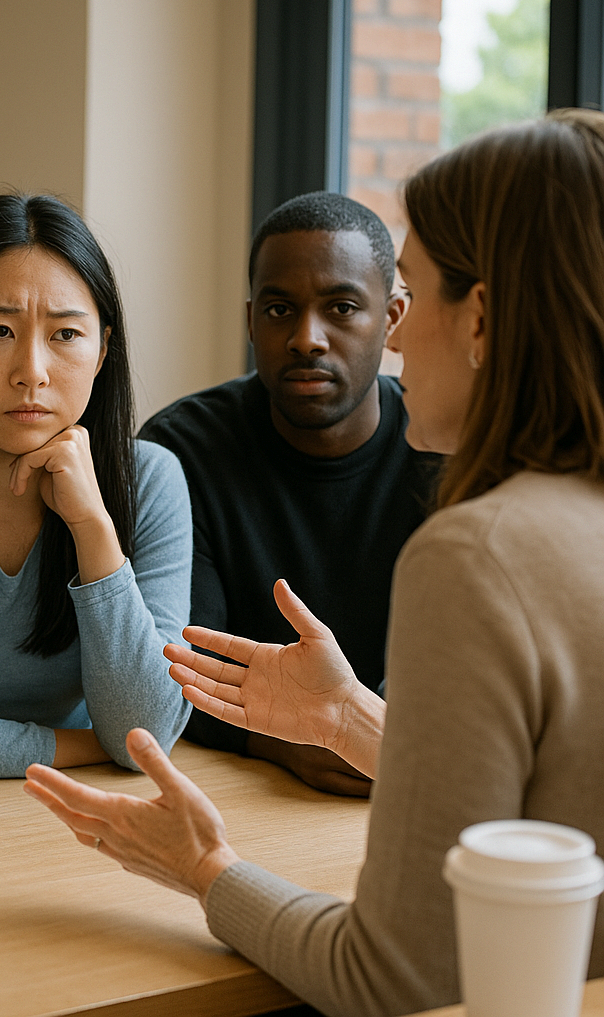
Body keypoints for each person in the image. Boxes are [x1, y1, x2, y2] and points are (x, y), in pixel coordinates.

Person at [25, 108, 604, 1016]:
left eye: (405, 297)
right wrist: (352, 718)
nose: (397, 343)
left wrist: (202, 867)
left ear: (479, 316)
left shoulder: (478, 554)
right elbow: (543, 832)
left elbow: (393, 979)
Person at [0, 194, 191, 777]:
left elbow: (145, 733)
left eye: (66, 334)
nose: (32, 371)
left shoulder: (151, 480)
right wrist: (90, 749)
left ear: (102, 351)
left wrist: (93, 528)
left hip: (79, 826)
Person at [139, 191, 437, 796]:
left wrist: (360, 732)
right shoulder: (179, 451)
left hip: (416, 779)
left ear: (393, 318)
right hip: (243, 786)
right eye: (279, 310)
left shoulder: (446, 453)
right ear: (251, 320)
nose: (307, 338)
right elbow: (176, 668)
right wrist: (282, 738)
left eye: (342, 307)